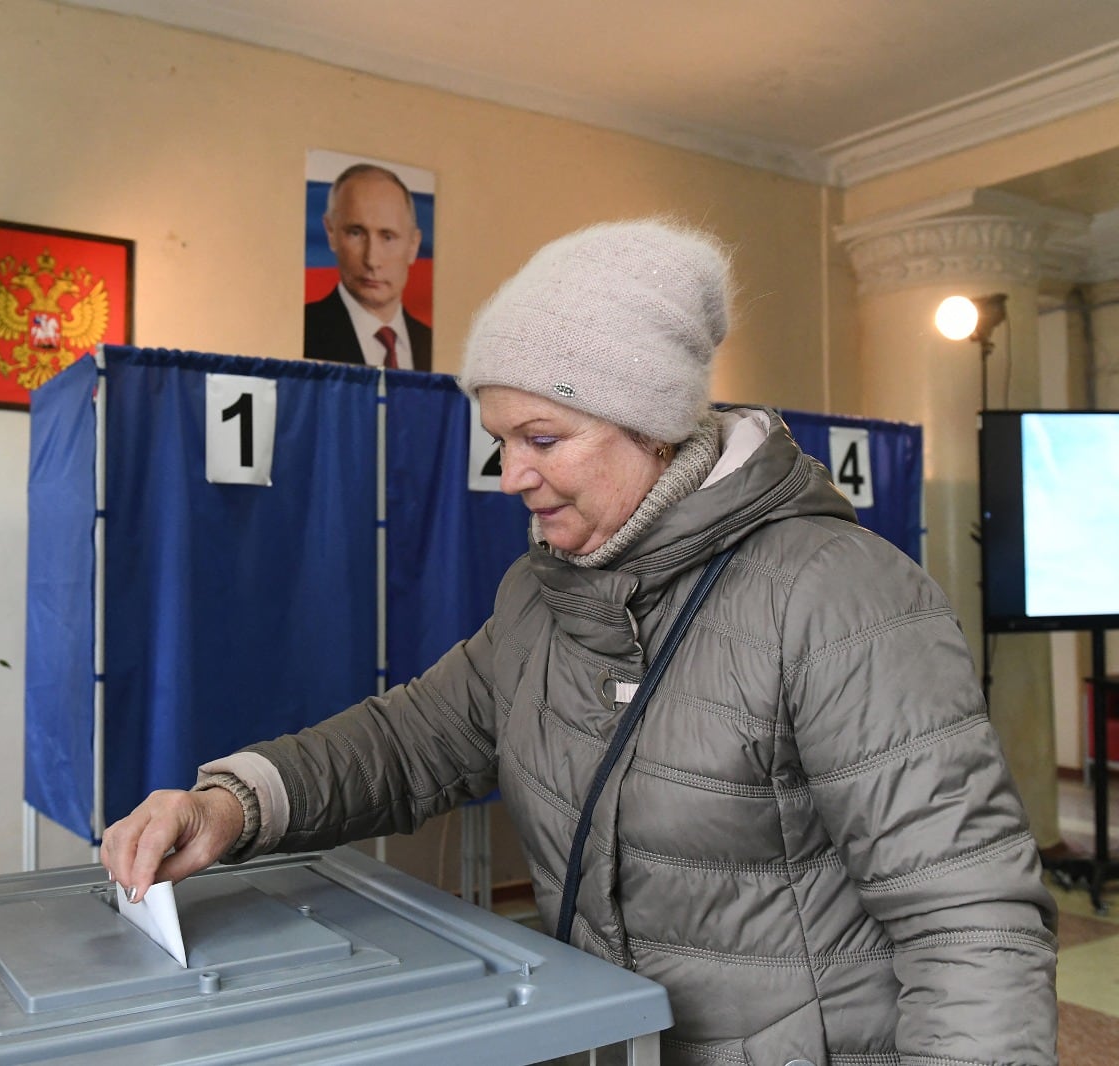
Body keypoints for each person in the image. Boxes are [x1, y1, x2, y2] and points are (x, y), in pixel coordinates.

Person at [104, 219, 1058, 1063]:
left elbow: (968, 920)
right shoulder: (543, 594)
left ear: (650, 425)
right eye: (501, 441)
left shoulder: (838, 595)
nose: (511, 474)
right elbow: (409, 741)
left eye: (542, 439)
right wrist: (231, 805)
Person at [303, 163, 433, 371]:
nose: (372, 260)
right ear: (331, 233)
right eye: (356, 233)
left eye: (388, 237)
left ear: (413, 245)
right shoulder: (306, 329)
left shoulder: (430, 341)